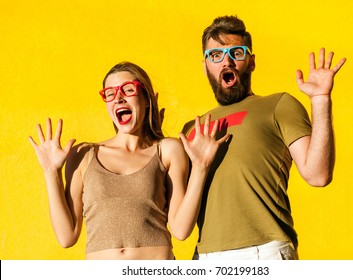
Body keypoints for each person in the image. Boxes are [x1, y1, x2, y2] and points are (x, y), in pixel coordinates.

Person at [181, 15, 346, 260]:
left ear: (252, 62)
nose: (227, 61)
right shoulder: (191, 130)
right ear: (205, 65)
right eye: (215, 55)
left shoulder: (278, 105)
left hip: (265, 252)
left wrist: (321, 100)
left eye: (236, 53)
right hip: (205, 256)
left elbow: (318, 174)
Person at [28, 61, 229, 260]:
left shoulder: (167, 150)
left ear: (147, 99)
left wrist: (201, 168)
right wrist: (50, 171)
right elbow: (66, 237)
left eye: (128, 89)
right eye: (110, 93)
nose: (118, 98)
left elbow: (181, 230)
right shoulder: (82, 154)